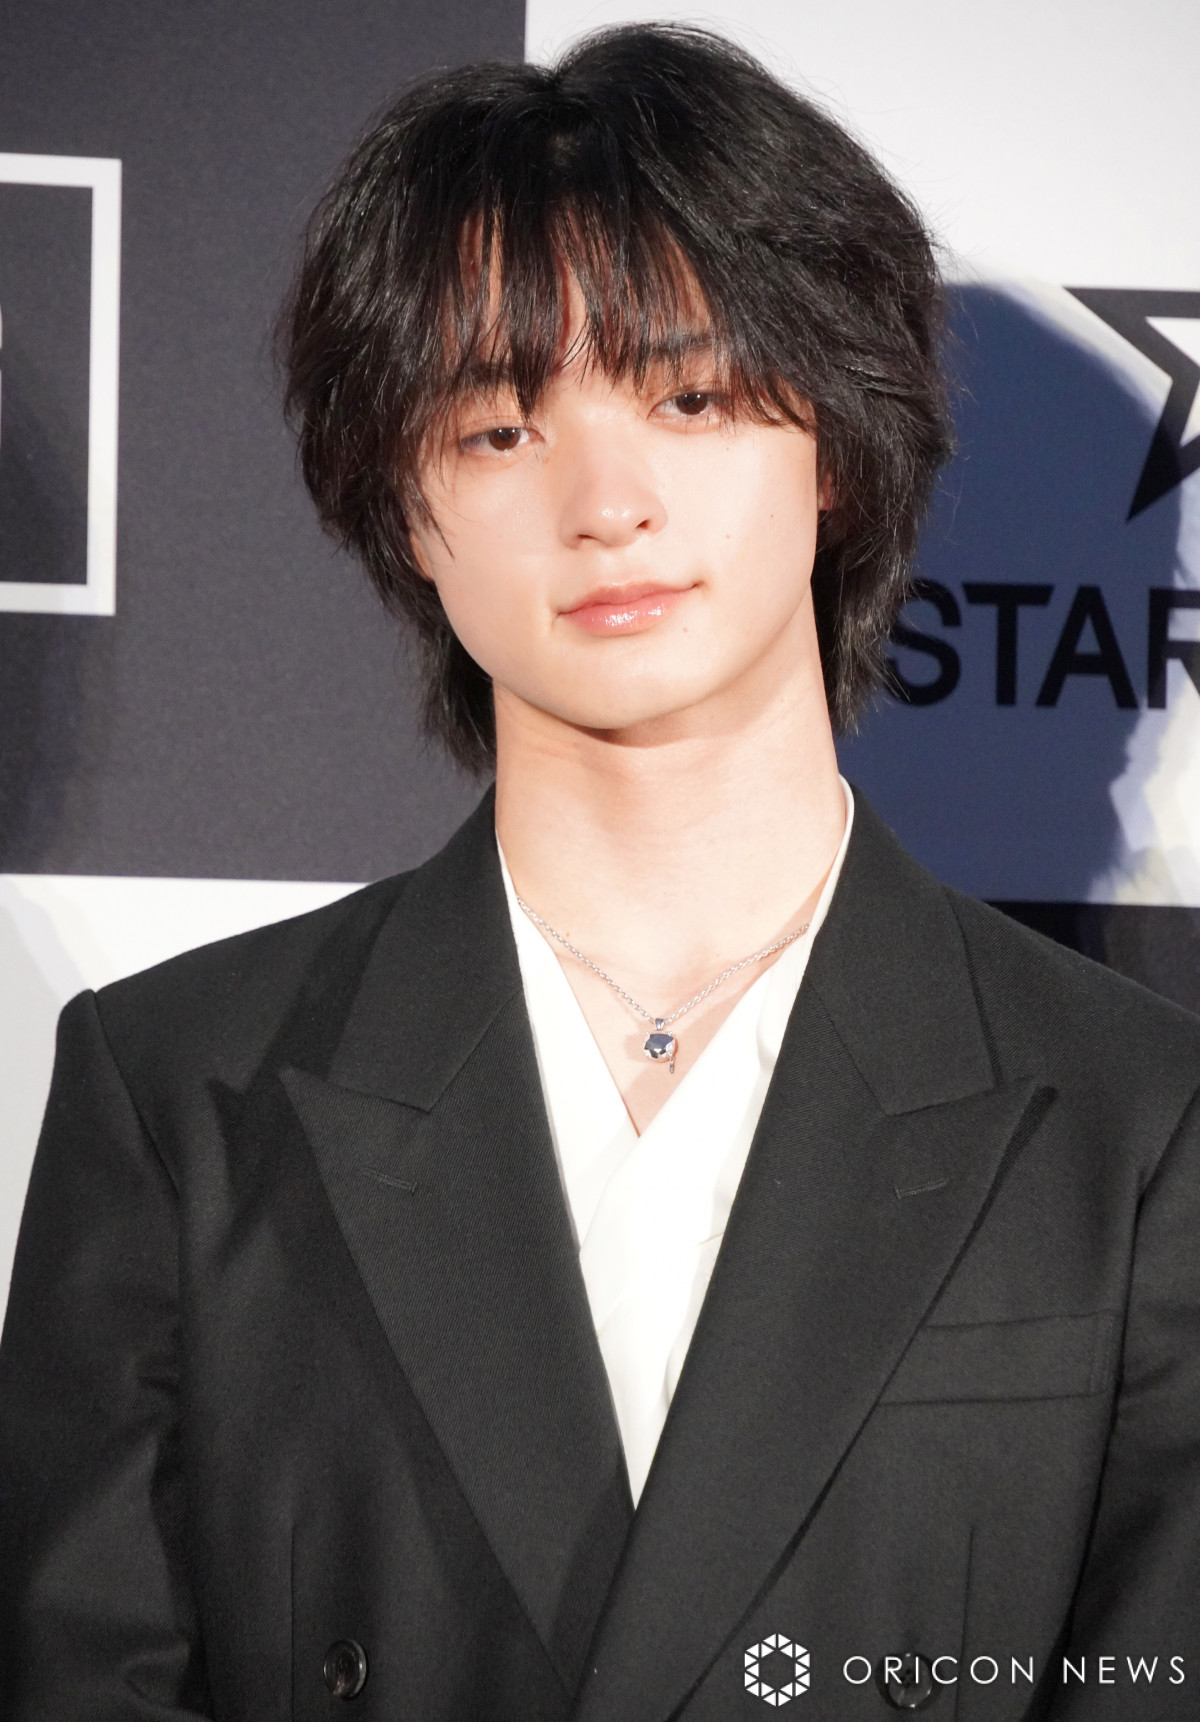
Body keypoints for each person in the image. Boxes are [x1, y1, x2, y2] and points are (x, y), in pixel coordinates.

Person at [2, 23, 1198, 1721]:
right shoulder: (183, 1093)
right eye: (501, 429)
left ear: (836, 445)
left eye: (689, 397)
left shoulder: (1138, 1124)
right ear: (401, 508)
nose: (607, 501)